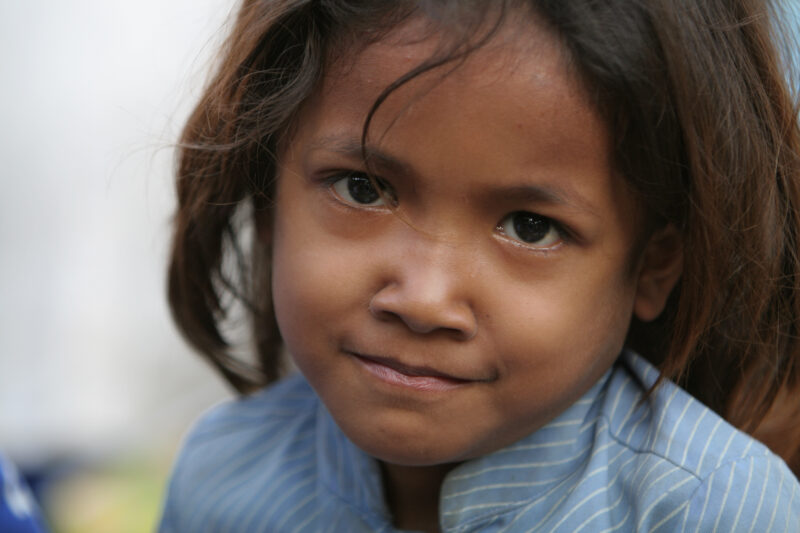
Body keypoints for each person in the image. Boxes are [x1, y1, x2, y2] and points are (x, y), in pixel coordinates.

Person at [158, 0, 800, 531]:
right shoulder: (225, 476)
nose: (424, 298)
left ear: (653, 266)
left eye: (530, 227)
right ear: (267, 194)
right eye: (361, 189)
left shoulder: (708, 508)